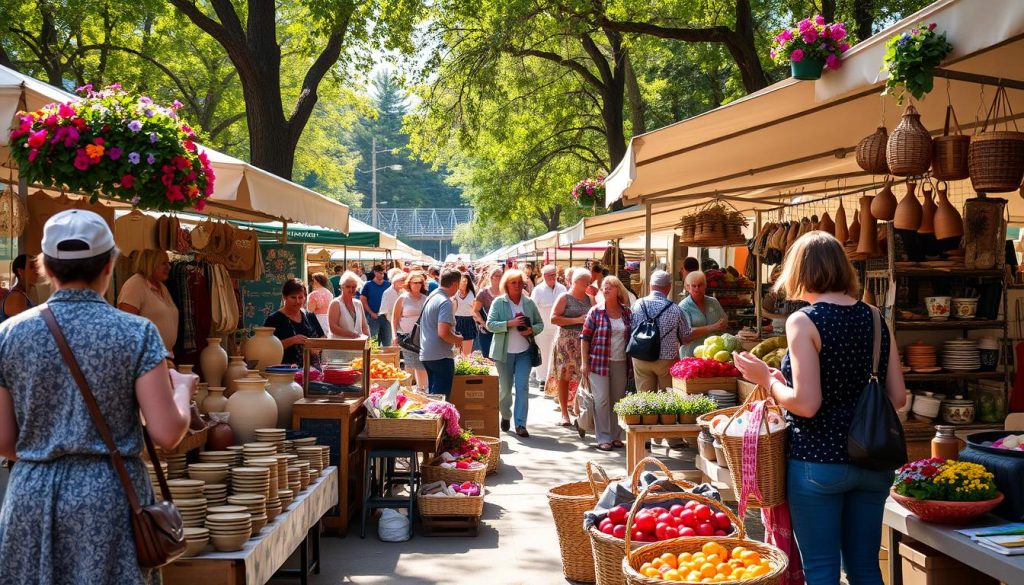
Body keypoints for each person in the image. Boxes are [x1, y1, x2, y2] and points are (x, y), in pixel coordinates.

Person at [0, 209, 193, 584]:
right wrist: (182, 392)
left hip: (32, 497)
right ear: (109, 265)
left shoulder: (9, 335)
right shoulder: (137, 334)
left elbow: (5, 442)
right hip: (110, 498)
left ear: (44, 267)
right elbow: (168, 434)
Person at [732, 231, 905, 585]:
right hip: (873, 461)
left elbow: (807, 405)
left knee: (822, 572)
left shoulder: (804, 321)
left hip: (819, 463)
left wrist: (767, 378)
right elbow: (898, 398)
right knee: (866, 569)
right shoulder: (875, 318)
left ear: (799, 271)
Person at [486, 269, 544, 437]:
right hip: (504, 353)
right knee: (505, 389)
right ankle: (505, 415)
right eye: (514, 283)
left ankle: (520, 424)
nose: (517, 286)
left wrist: (531, 330)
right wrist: (509, 323)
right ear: (506, 285)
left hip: (524, 352)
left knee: (522, 387)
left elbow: (540, 324)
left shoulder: (529, 303)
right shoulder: (499, 302)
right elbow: (490, 325)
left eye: (520, 283)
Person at [580, 276, 632, 451]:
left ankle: (615, 436)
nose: (606, 289)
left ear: (618, 290)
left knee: (617, 400)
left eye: (610, 286)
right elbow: (585, 338)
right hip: (598, 362)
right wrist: (584, 363)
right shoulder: (595, 311)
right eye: (604, 287)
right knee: (602, 399)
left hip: (621, 361)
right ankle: (603, 437)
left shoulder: (626, 312)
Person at [547, 268, 593, 426]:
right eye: (586, 281)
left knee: (583, 377)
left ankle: (578, 409)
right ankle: (564, 414)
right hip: (566, 342)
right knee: (564, 377)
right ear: (576, 282)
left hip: (583, 343)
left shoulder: (590, 299)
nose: (589, 283)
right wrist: (578, 320)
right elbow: (553, 319)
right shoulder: (564, 297)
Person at [631, 270, 689, 392]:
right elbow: (685, 337)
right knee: (667, 398)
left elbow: (631, 329)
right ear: (668, 287)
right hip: (667, 360)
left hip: (641, 356)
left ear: (650, 285)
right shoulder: (675, 309)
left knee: (644, 399)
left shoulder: (637, 305)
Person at [117, 249, 179, 354]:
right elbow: (126, 326)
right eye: (164, 263)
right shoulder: (135, 285)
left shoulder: (162, 287)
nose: (169, 267)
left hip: (165, 356)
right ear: (150, 264)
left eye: (168, 263)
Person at [419, 269, 463, 397]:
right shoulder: (445, 302)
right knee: (440, 401)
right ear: (455, 284)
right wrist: (457, 339)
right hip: (440, 356)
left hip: (428, 354)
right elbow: (443, 333)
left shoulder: (432, 296)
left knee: (433, 398)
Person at [265, 278, 326, 368]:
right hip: (284, 372)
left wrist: (317, 347)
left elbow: (323, 337)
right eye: (293, 297)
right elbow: (267, 348)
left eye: (300, 297)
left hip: (312, 373)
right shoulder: (274, 319)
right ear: (284, 297)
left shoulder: (309, 316)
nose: (297, 301)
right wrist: (292, 341)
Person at [679, 270, 728, 358]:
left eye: (700, 285)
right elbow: (686, 334)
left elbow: (724, 321)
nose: (697, 288)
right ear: (687, 287)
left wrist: (723, 324)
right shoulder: (683, 306)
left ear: (705, 286)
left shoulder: (713, 302)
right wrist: (713, 327)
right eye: (694, 286)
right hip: (691, 355)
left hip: (713, 355)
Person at [530, 264, 565, 387]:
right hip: (543, 328)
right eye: (550, 275)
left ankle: (554, 379)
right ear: (544, 276)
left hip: (558, 327)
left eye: (554, 274)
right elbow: (532, 309)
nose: (553, 277)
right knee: (544, 353)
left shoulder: (562, 288)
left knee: (556, 354)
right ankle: (542, 379)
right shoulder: (537, 290)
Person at [392, 270, 428, 389]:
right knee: (411, 365)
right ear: (409, 283)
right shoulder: (403, 298)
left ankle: (421, 390)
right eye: (414, 282)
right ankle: (410, 391)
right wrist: (394, 336)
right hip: (406, 337)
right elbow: (395, 318)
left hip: (422, 337)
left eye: (419, 282)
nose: (417, 285)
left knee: (420, 365)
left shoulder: (426, 298)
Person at [328, 271, 370, 339]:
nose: (351, 289)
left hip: (356, 346)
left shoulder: (358, 304)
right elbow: (333, 327)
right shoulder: (335, 303)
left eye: (354, 287)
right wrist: (352, 335)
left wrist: (370, 343)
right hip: (339, 347)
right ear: (342, 287)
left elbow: (364, 326)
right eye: (348, 287)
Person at [358, 264, 392, 347]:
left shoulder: (388, 284)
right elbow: (362, 300)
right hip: (373, 318)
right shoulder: (368, 285)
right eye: (380, 273)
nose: (382, 275)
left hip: (386, 317)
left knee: (387, 342)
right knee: (373, 343)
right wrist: (371, 313)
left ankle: (387, 359)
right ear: (375, 272)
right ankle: (373, 358)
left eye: (383, 273)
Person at [473, 267, 502, 358]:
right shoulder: (483, 293)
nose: (500, 278)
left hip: (503, 328)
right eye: (497, 276)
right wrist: (483, 323)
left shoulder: (506, 291)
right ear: (491, 277)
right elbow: (475, 310)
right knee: (488, 356)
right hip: (487, 330)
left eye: (501, 276)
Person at [0, 254, 35, 323]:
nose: (36, 271)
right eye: (31, 267)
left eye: (37, 267)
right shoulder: (16, 297)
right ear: (20, 271)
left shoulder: (24, 294)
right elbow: (27, 328)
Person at [452, 273, 477, 356]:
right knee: (457, 352)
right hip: (456, 321)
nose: (463, 283)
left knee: (466, 353)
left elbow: (476, 309)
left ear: (468, 282)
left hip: (469, 321)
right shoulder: (454, 293)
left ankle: (466, 368)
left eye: (465, 281)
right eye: (460, 281)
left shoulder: (472, 293)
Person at [379, 269, 407, 343]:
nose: (403, 282)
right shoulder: (388, 293)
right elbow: (386, 312)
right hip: (388, 322)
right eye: (401, 280)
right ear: (395, 281)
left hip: (400, 324)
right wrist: (395, 324)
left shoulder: (403, 291)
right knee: (388, 343)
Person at [307, 272, 334, 336]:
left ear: (316, 281)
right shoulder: (329, 293)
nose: (312, 283)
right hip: (327, 320)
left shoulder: (314, 294)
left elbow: (310, 311)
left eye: (313, 280)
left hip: (317, 321)